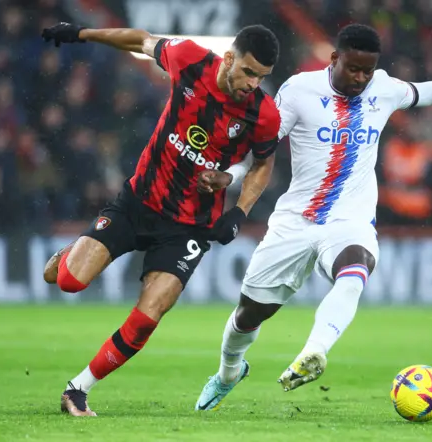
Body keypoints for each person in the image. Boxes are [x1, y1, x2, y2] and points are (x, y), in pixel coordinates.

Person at [193, 23, 432, 411]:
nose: (361, 78)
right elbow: (262, 148)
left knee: (355, 270)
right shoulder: (299, 90)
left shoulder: (384, 88)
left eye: (368, 70)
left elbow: (425, 92)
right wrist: (233, 176)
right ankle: (229, 372)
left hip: (351, 217)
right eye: (353, 69)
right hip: (297, 218)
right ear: (335, 58)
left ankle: (315, 351)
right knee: (249, 315)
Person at [40, 22, 281, 416]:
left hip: (189, 226)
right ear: (230, 58)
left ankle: (78, 389)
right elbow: (139, 40)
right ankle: (72, 253)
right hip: (138, 202)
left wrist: (238, 211)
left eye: (262, 77)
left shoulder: (263, 113)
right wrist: (82, 33)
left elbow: (262, 165)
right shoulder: (188, 59)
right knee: (68, 281)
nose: (253, 83)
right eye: (249, 72)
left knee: (152, 309)